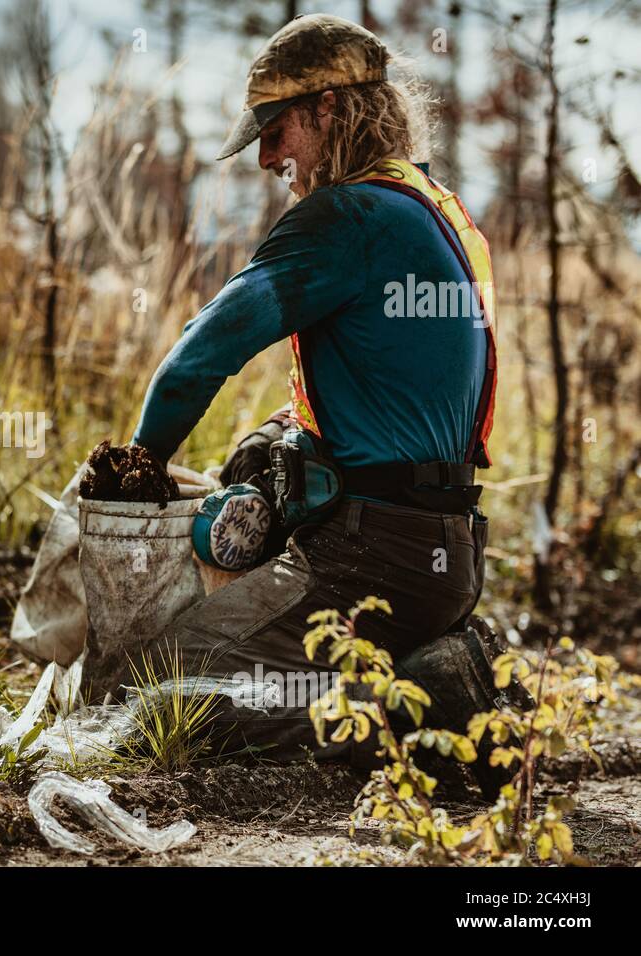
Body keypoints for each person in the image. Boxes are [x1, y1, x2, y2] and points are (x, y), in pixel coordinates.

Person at [108, 14, 521, 791]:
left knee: (153, 689)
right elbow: (404, 395)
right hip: (446, 555)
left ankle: (422, 707)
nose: (267, 157)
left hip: (371, 559)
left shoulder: (347, 217)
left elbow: (198, 358)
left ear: (331, 109)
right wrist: (283, 438)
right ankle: (428, 665)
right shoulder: (434, 209)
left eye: (275, 130)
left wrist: (135, 470)